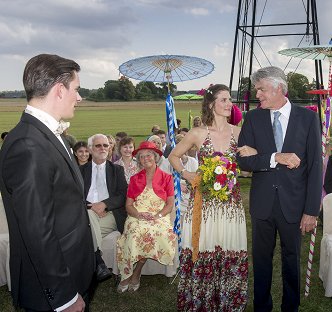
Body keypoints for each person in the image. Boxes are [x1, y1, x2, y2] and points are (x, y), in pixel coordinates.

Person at [0, 54, 94, 311]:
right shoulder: (28, 145)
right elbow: (37, 231)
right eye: (76, 89)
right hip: (51, 292)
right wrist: (64, 298)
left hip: (71, 269)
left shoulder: (51, 136)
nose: (80, 97)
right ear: (59, 90)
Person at [237, 67, 322, 311]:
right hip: (262, 204)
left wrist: (311, 210)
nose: (258, 95)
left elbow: (315, 167)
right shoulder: (253, 118)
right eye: (257, 90)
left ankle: (290, 307)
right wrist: (275, 157)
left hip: (294, 204)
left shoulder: (307, 118)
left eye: (261, 89)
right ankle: (261, 307)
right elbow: (242, 160)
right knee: (261, 262)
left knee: (291, 260)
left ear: (278, 88)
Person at [169, 84, 249, 311]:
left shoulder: (238, 132)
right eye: (224, 100)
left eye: (230, 100)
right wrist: (186, 174)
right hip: (203, 204)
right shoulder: (197, 133)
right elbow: (174, 156)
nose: (229, 104)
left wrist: (250, 158)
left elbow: (248, 166)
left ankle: (228, 302)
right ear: (211, 104)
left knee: (228, 246)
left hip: (231, 204)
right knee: (204, 247)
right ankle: (200, 301)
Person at [116, 141, 176, 293]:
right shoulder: (135, 179)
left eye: (148, 155)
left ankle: (135, 274)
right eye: (141, 157)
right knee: (135, 233)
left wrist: (158, 215)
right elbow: (128, 205)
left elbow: (169, 204)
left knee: (154, 233)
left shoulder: (167, 178)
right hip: (137, 214)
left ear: (155, 157)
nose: (145, 159)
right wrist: (138, 214)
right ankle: (126, 275)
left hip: (159, 216)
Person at [80, 134, 128, 251]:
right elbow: (75, 195)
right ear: (90, 149)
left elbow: (123, 195)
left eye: (106, 145)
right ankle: (99, 261)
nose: (103, 148)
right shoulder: (81, 171)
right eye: (98, 145)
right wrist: (92, 207)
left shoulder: (117, 170)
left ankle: (96, 261)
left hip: (110, 213)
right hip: (86, 212)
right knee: (90, 217)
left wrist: (104, 205)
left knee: (82, 233)